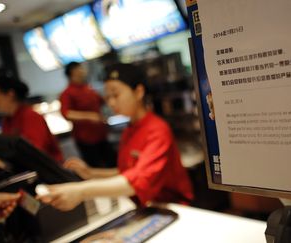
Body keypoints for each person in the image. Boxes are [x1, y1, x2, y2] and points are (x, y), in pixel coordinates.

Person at [39, 64, 193, 211]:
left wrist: (81, 191)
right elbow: (127, 171)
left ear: (138, 92)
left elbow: (137, 180)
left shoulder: (157, 129)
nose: (111, 102)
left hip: (173, 206)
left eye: (116, 94)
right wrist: (92, 173)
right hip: (146, 205)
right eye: (107, 97)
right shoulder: (130, 129)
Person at [0, 76, 63, 169]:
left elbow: (35, 155)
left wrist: (5, 164)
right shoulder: (7, 120)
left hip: (50, 173)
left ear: (10, 94)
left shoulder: (31, 116)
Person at [59, 62, 114, 167]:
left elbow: (101, 101)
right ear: (72, 73)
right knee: (96, 167)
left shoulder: (88, 88)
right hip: (86, 139)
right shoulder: (67, 93)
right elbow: (66, 113)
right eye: (79, 69)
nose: (83, 71)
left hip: (101, 134)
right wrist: (89, 116)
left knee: (111, 162)